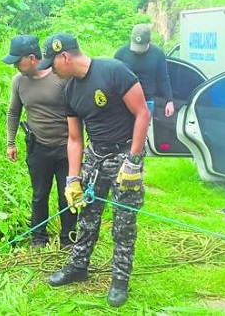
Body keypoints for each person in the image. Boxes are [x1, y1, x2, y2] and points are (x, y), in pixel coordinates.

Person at [37, 33, 151, 306]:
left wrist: (133, 162)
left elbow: (142, 114)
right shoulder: (70, 91)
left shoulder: (113, 71)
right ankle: (78, 267)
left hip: (125, 154)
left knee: (123, 222)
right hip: (96, 156)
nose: (50, 70)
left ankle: (120, 280)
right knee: (87, 214)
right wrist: (72, 179)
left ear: (65, 57)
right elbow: (75, 138)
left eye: (51, 64)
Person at [3, 34, 77, 249]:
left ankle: (68, 239)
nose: (16, 65)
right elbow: (13, 113)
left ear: (32, 58)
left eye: (18, 61)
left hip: (66, 148)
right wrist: (10, 142)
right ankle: (38, 238)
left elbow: (78, 110)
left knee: (68, 196)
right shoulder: (18, 81)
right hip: (38, 148)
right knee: (39, 195)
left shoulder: (60, 77)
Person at [114, 23, 175, 117]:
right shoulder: (121, 53)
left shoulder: (158, 54)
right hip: (125, 100)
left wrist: (169, 101)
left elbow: (163, 79)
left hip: (147, 101)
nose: (137, 51)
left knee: (142, 130)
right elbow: (113, 79)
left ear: (149, 41)